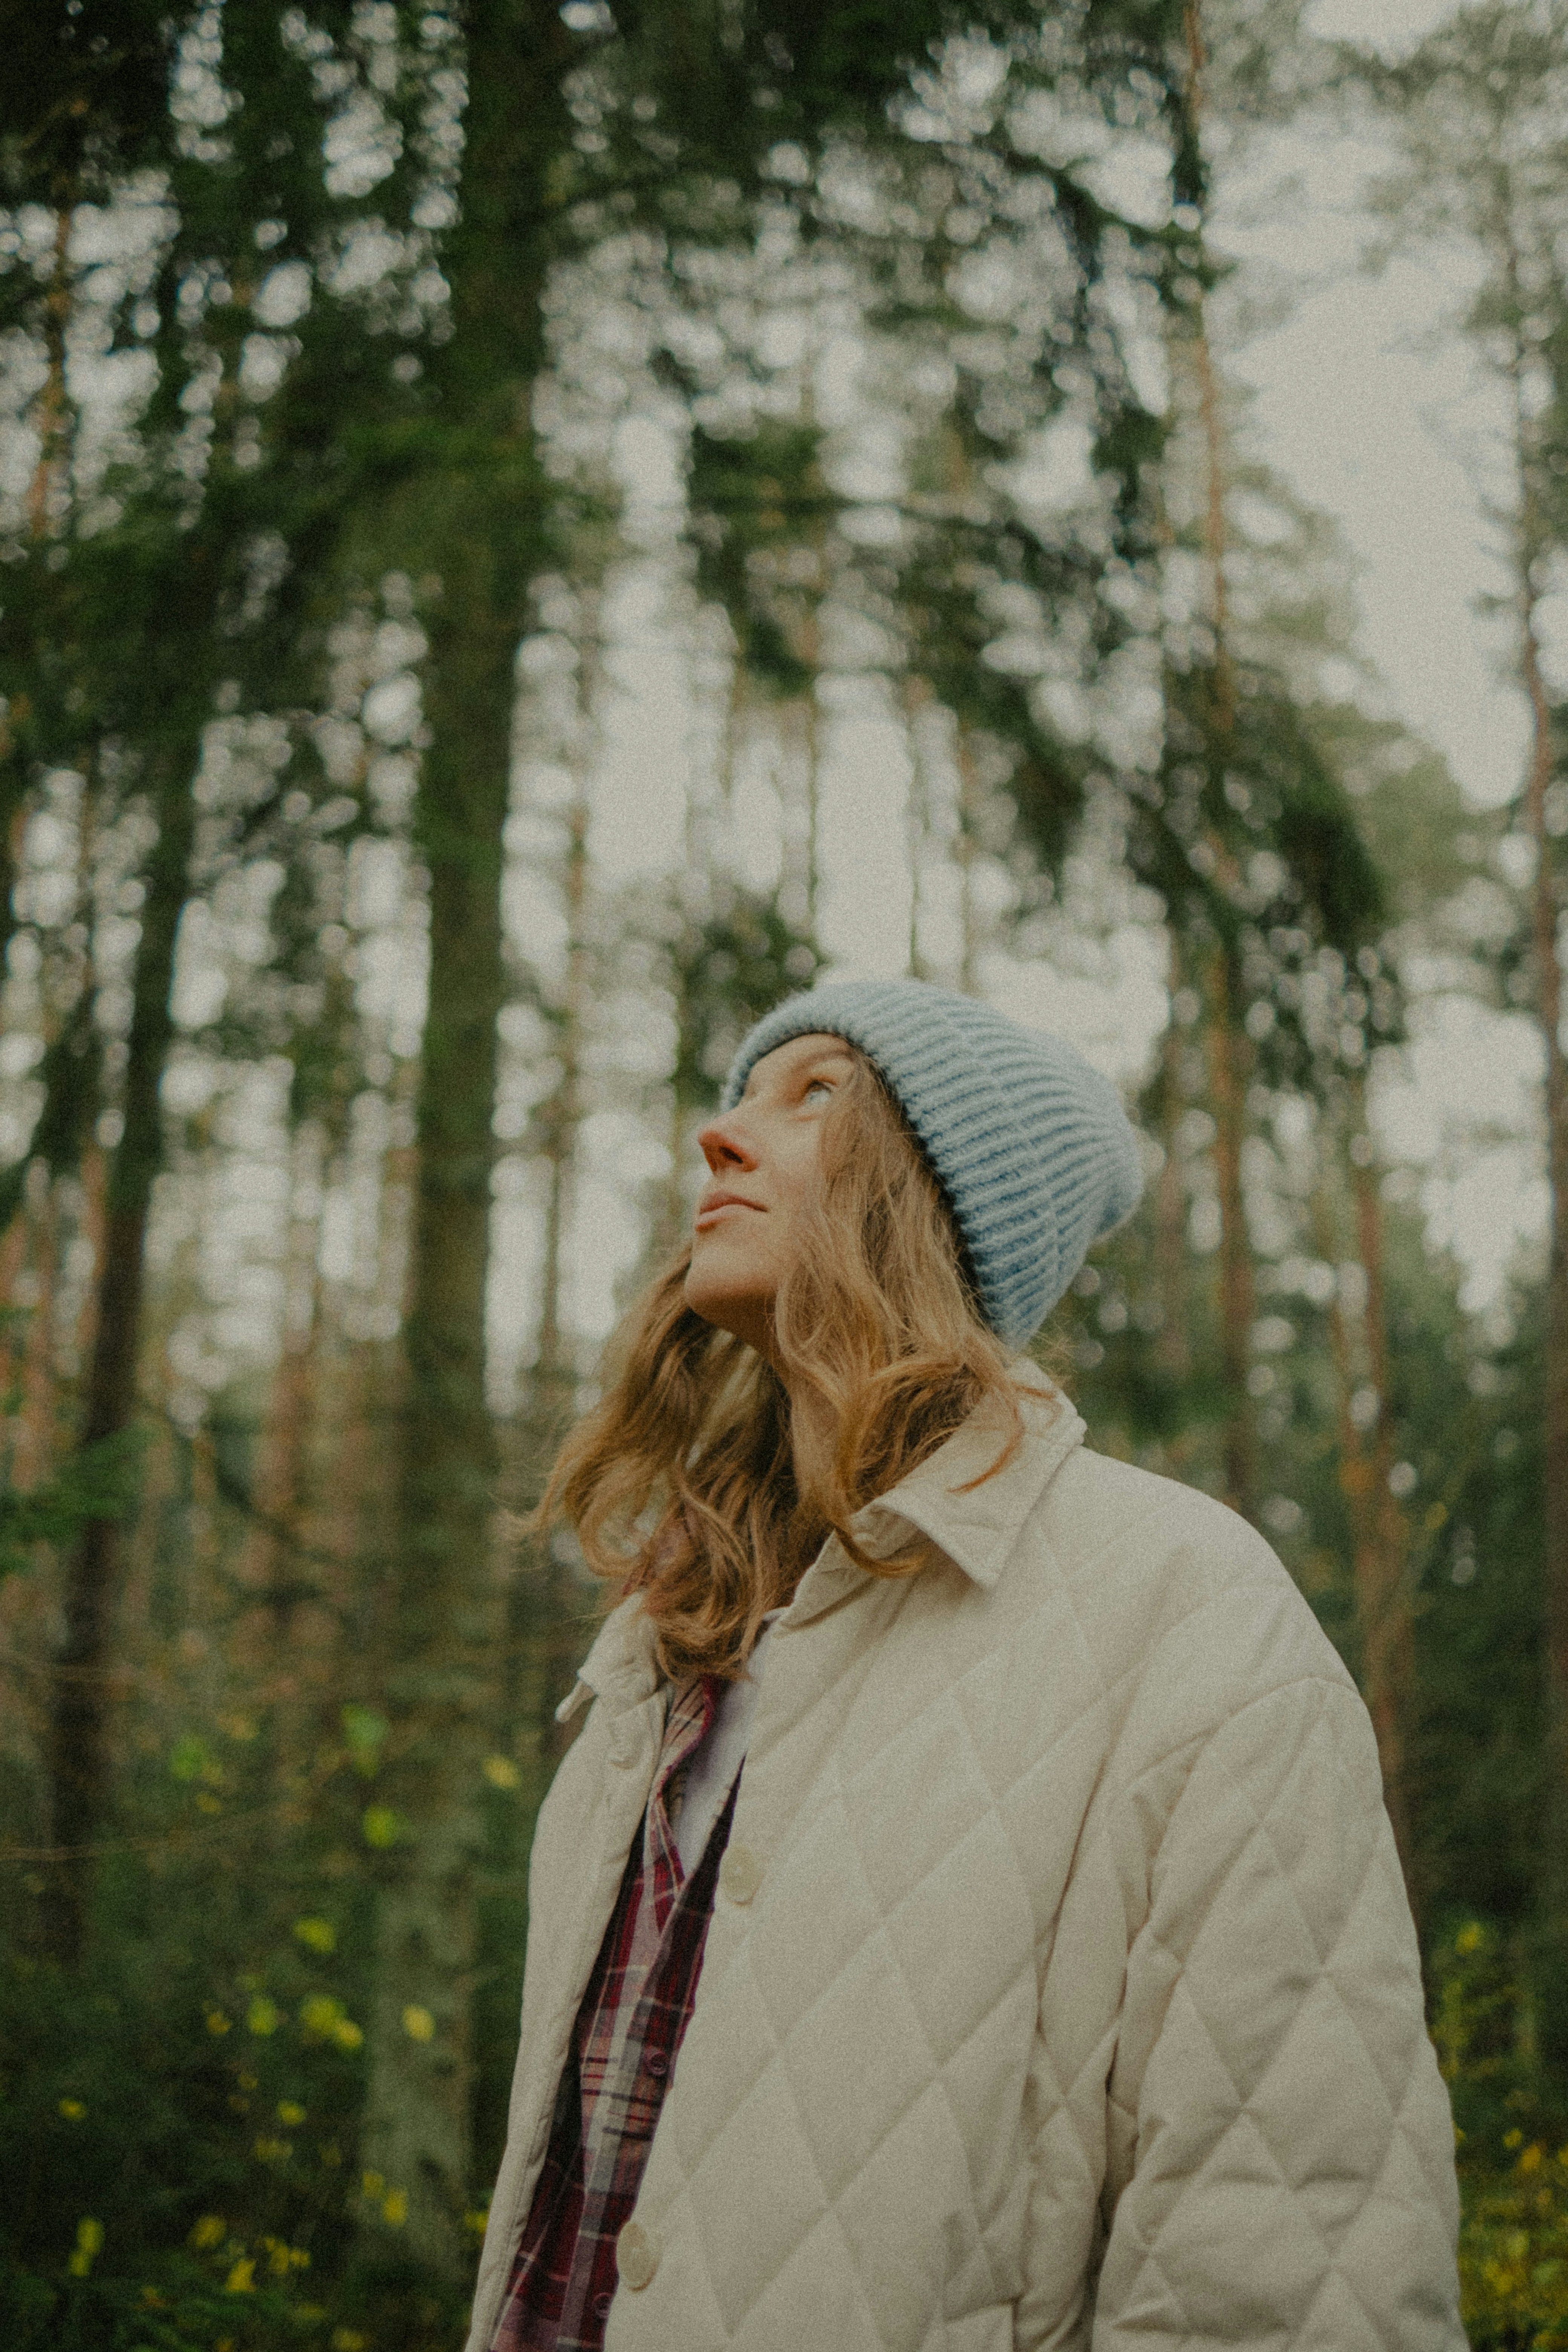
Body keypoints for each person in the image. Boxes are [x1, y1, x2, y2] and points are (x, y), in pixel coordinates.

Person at [467, 977, 1464, 2352]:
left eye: (817, 1093)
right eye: (742, 1094)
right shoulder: (664, 1636)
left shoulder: (1186, 1610)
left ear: (942, 1196)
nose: (720, 1133)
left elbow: (1288, 2267)